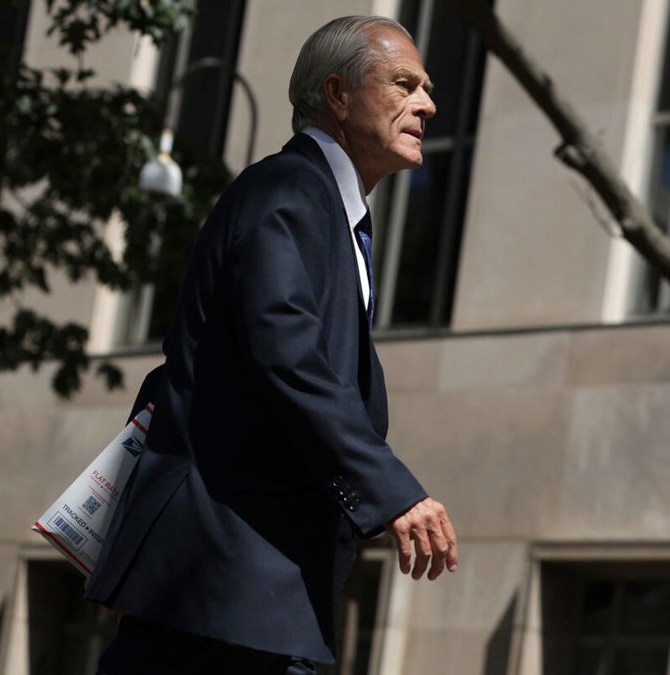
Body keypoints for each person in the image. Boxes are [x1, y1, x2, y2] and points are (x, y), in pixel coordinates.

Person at [86, 16, 459, 674]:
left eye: (427, 88)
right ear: (339, 96)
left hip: (253, 589)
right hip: (226, 578)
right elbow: (284, 354)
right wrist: (391, 490)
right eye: (404, 85)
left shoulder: (327, 211)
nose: (427, 103)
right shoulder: (287, 193)